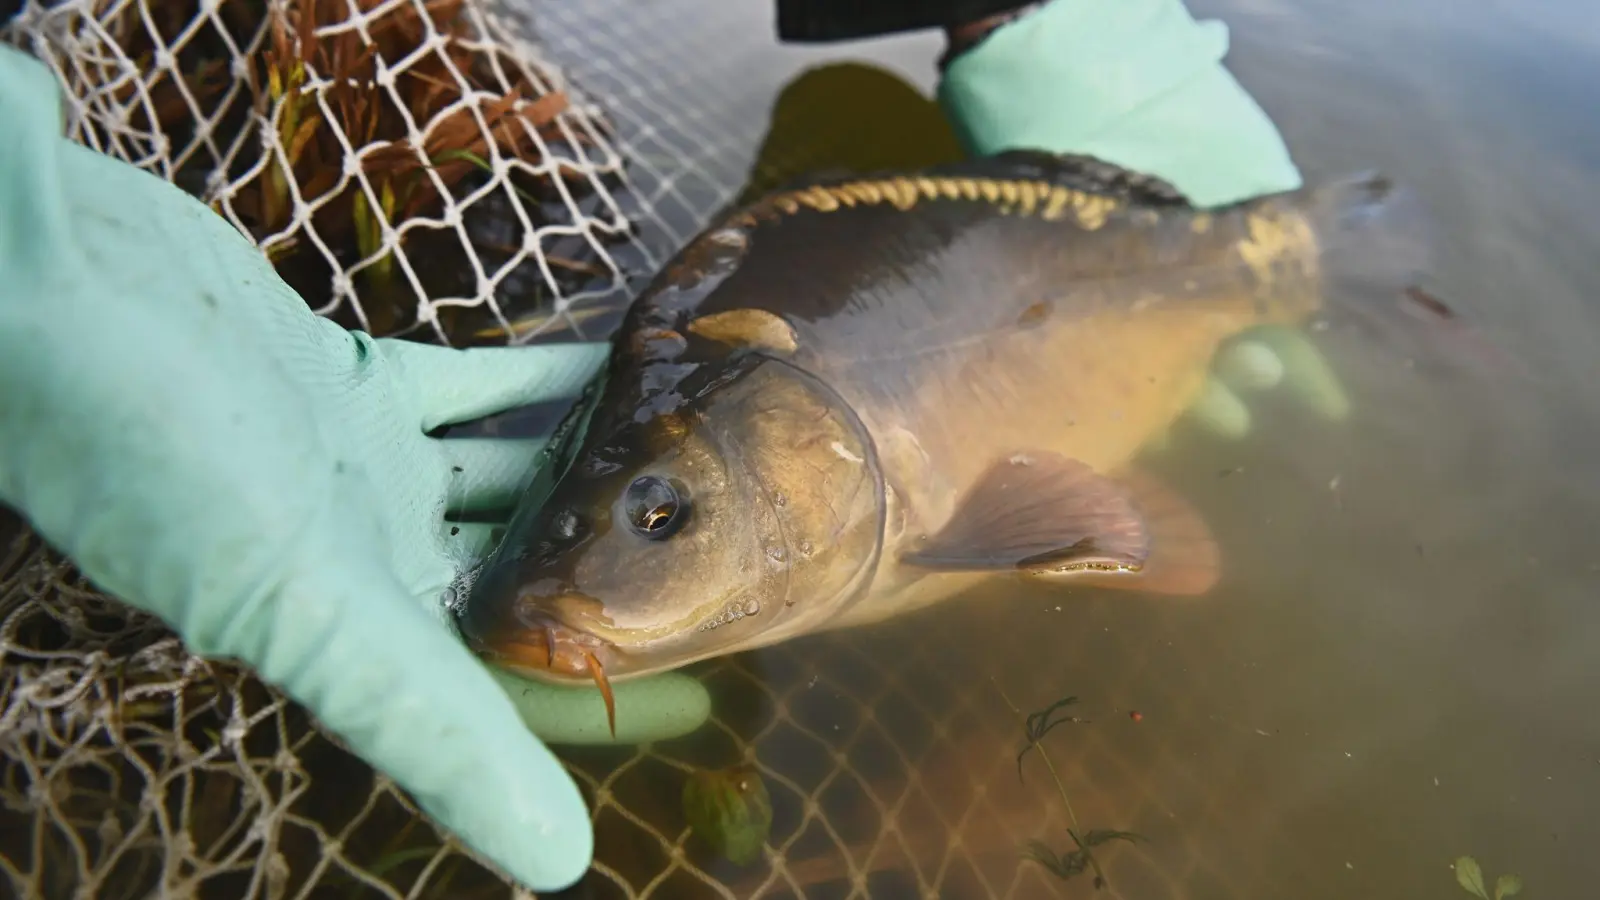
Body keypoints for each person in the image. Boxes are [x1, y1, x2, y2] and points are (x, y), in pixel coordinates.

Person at [0, 0, 1348, 892]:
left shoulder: (877, 468)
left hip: (1099, 261)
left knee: (1288, 269)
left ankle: (1308, 252)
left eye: (661, 514)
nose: (632, 539)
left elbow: (1134, 535)